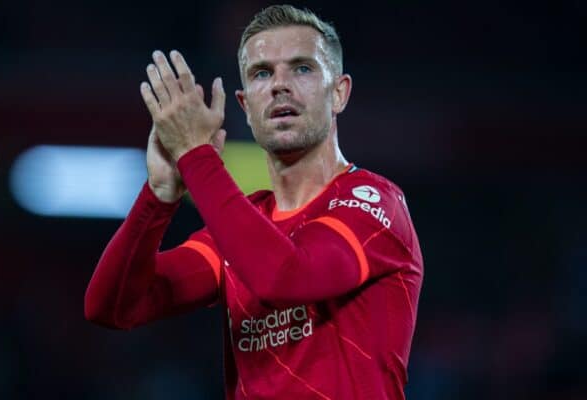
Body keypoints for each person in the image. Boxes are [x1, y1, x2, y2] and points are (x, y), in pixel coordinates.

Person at [85, 4, 423, 399]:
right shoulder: (243, 228)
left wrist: (196, 155)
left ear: (339, 94)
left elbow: (287, 276)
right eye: (262, 72)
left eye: (302, 68)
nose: (280, 85)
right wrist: (158, 196)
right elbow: (111, 307)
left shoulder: (373, 203)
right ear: (245, 107)